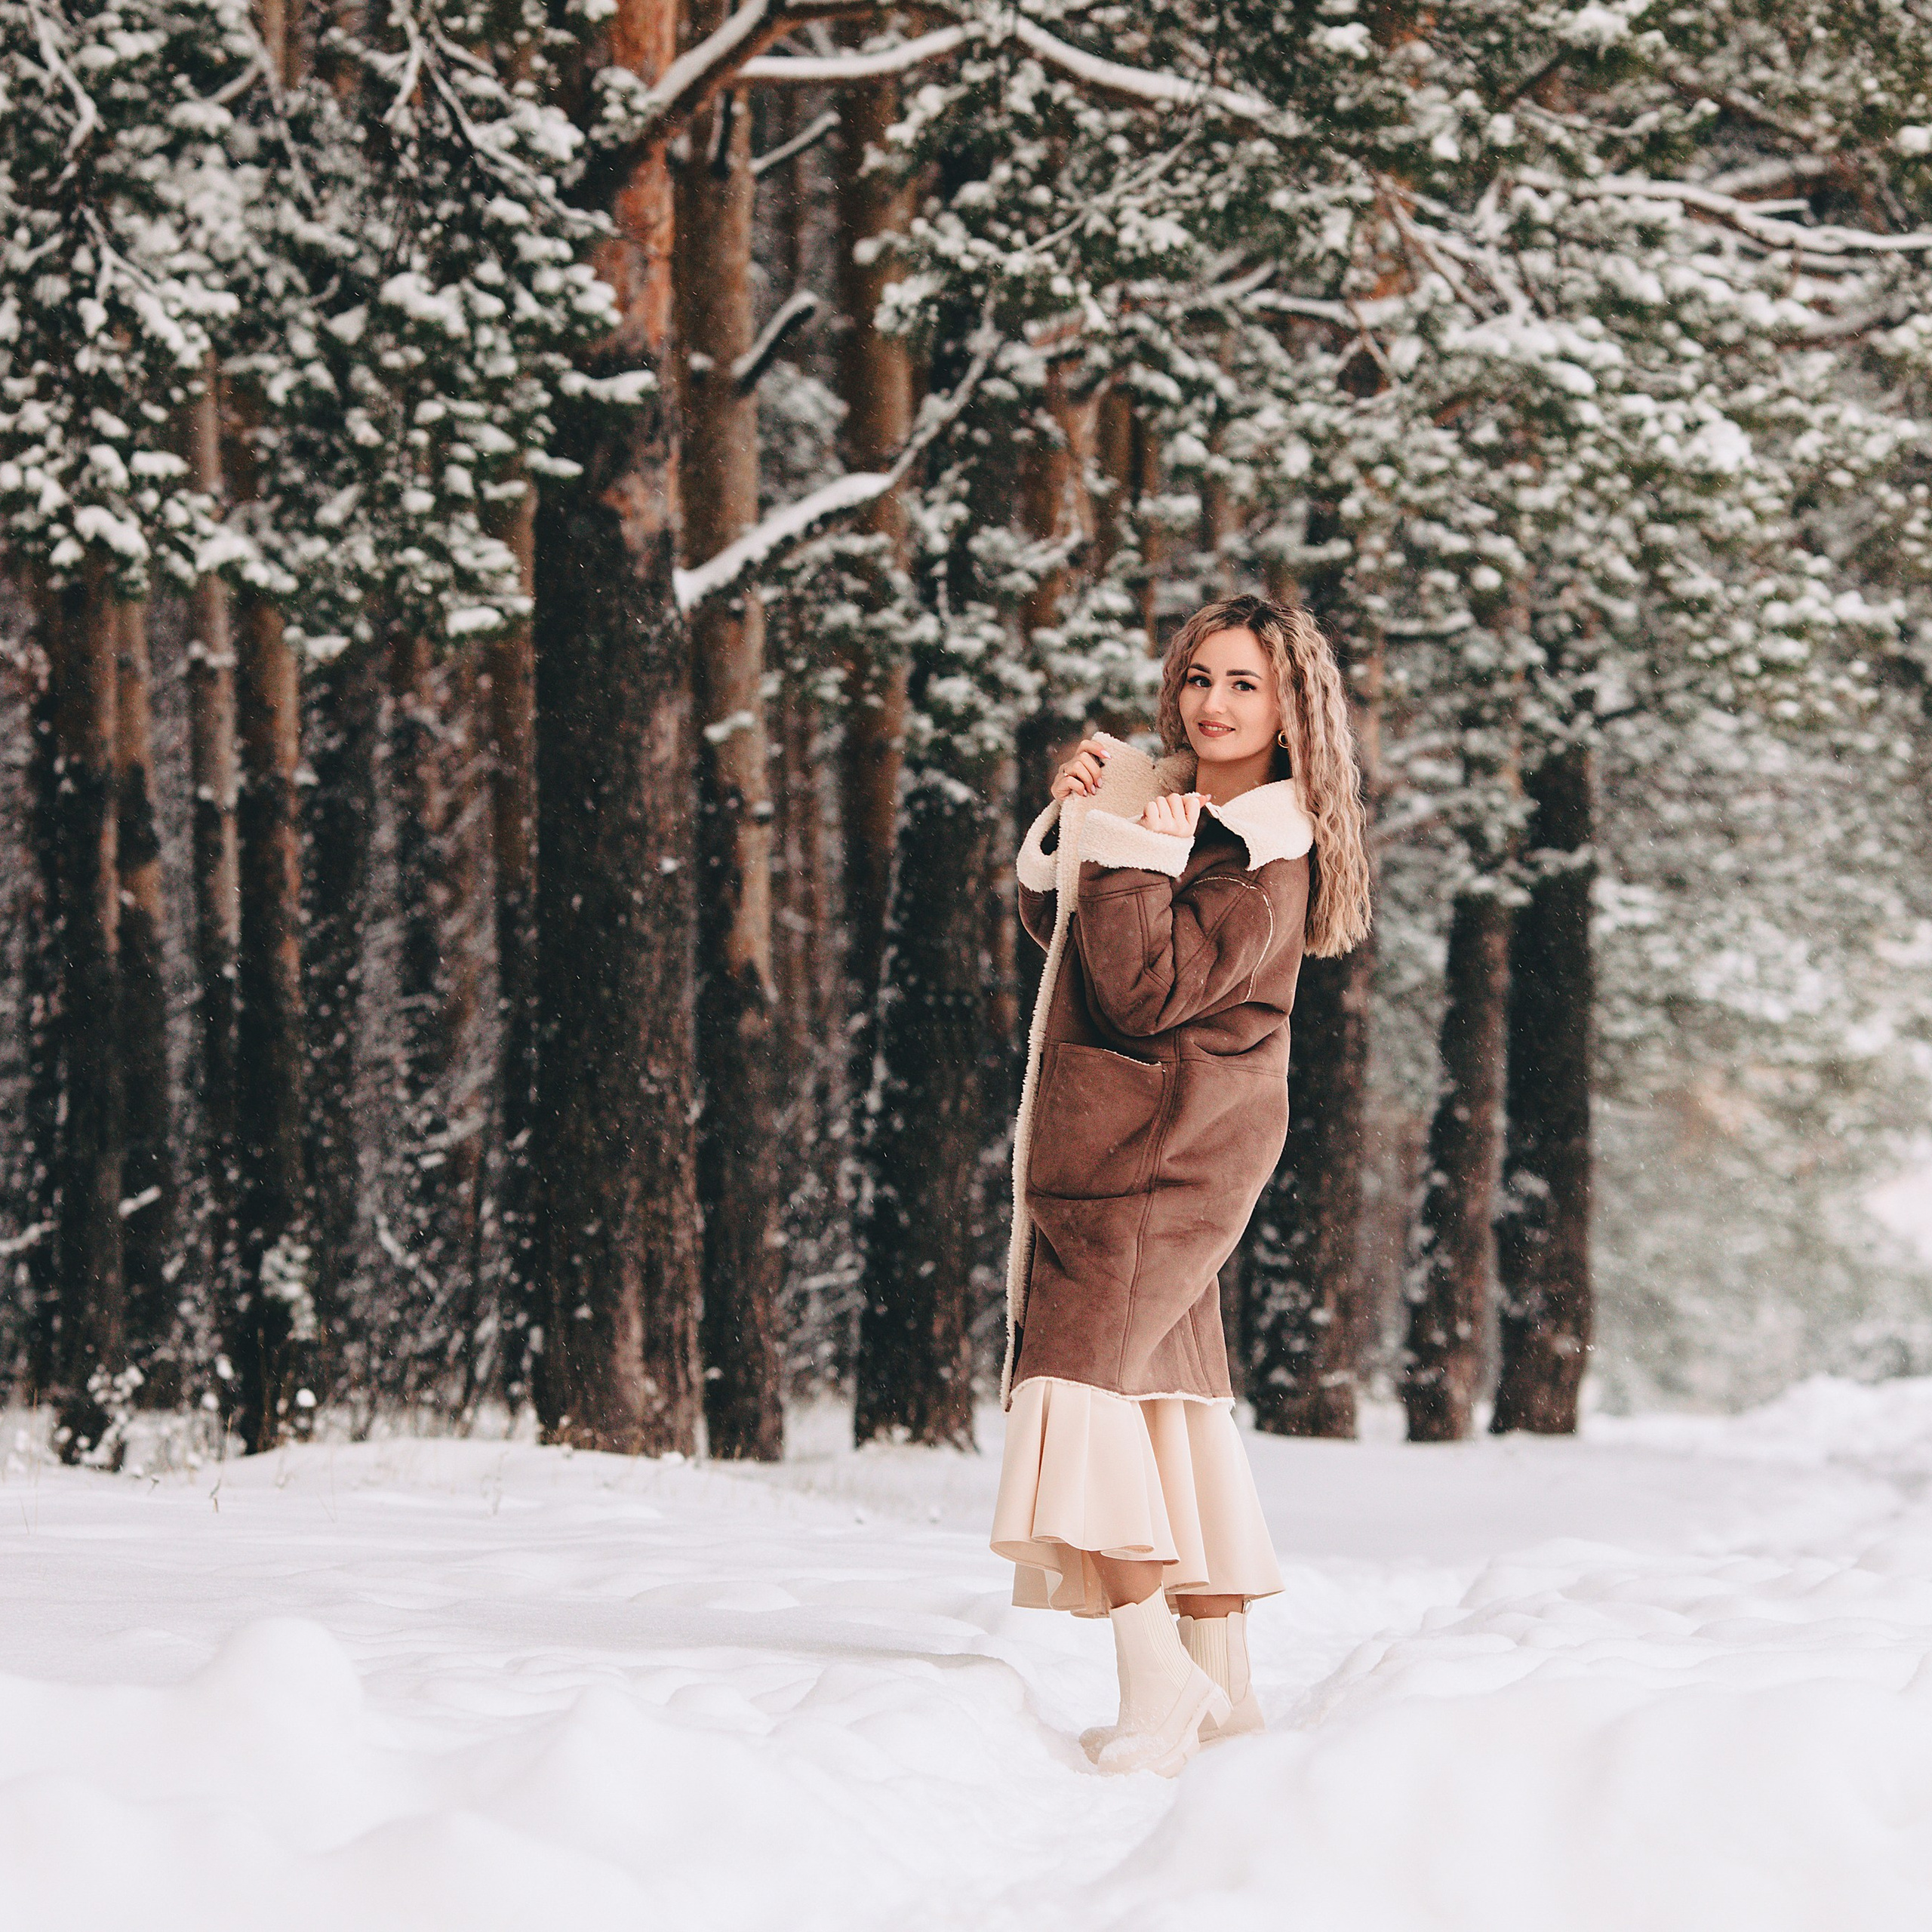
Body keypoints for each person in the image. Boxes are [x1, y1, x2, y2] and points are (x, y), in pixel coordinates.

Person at [989, 591, 1373, 1777]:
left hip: (1157, 1153)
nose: (1212, 703)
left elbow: (1145, 988)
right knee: (1165, 1398)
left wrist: (1132, 850)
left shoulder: (1264, 848)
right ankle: (1224, 1680)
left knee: (1075, 1384)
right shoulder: (1187, 811)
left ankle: (1154, 1681)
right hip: (1147, 1141)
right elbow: (1071, 949)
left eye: (1243, 684)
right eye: (1200, 676)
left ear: (1291, 708)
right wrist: (1084, 822)